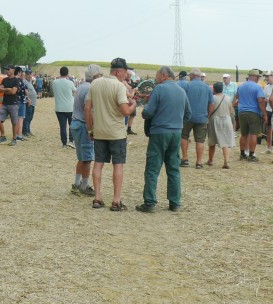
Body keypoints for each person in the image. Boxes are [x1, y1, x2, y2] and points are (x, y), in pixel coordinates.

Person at [136, 66, 191, 213]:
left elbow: (148, 112)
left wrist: (145, 110)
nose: (156, 79)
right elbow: (188, 114)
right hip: (176, 133)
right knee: (173, 168)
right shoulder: (182, 91)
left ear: (164, 75)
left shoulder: (159, 90)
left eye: (157, 76)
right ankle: (175, 202)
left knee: (153, 168)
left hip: (159, 132)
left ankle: (150, 202)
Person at [85, 57, 137, 211]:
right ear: (118, 71)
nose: (126, 76)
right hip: (116, 133)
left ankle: (97, 197)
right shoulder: (118, 86)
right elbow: (125, 111)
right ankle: (116, 200)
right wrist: (133, 104)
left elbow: (87, 108)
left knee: (98, 163)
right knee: (118, 165)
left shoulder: (95, 83)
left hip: (99, 131)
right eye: (125, 73)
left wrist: (90, 129)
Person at [69, 64, 103, 197]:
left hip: (75, 123)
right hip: (83, 124)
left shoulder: (81, 86)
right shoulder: (90, 89)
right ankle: (84, 185)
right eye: (100, 75)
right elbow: (88, 110)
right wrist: (92, 129)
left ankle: (77, 183)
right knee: (87, 158)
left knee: (81, 157)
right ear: (95, 76)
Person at [180, 68, 214, 169]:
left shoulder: (187, 85)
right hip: (202, 117)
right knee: (200, 140)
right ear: (199, 76)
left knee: (184, 136)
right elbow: (211, 104)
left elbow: (182, 100)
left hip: (187, 117)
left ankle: (185, 159)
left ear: (191, 76)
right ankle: (199, 162)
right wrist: (208, 116)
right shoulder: (207, 87)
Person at [235, 69, 267, 162]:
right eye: (258, 77)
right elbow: (260, 101)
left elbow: (237, 97)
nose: (258, 79)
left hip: (241, 112)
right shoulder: (258, 87)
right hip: (253, 112)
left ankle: (242, 154)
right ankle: (252, 154)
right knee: (253, 134)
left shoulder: (241, 86)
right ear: (255, 77)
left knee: (243, 134)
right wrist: (264, 113)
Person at [206, 82, 236, 169]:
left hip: (214, 120)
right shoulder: (227, 98)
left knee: (212, 141)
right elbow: (231, 111)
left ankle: (210, 160)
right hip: (226, 119)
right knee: (226, 142)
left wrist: (207, 117)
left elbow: (210, 109)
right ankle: (226, 161)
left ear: (214, 89)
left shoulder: (212, 98)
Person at [0, 65, 20, 146]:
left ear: (13, 70)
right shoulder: (4, 80)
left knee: (14, 122)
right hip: (4, 103)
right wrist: (8, 89)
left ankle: (14, 139)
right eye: (6, 69)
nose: (7, 71)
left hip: (13, 104)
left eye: (8, 69)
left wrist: (5, 90)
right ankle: (3, 136)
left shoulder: (16, 80)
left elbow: (13, 92)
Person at [53, 66, 77, 148]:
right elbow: (75, 91)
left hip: (59, 108)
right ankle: (71, 140)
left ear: (60, 73)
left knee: (62, 126)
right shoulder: (70, 83)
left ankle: (64, 143)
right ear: (67, 73)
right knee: (72, 125)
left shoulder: (55, 82)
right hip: (70, 107)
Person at [262, 71, 273, 153]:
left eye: (268, 77)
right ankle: (269, 148)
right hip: (268, 110)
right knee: (268, 129)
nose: (266, 78)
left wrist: (268, 100)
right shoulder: (266, 87)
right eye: (266, 77)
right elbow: (264, 97)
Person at [14, 66, 28, 141]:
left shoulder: (13, 80)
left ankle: (15, 134)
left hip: (14, 101)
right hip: (21, 101)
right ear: (19, 72)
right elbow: (25, 91)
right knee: (20, 118)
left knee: (15, 119)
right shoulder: (20, 81)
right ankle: (19, 135)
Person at [22, 69, 37, 137]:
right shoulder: (24, 82)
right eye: (27, 74)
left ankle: (28, 130)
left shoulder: (29, 82)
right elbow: (24, 92)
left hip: (33, 103)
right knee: (27, 117)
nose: (29, 75)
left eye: (30, 74)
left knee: (30, 117)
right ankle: (25, 131)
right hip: (28, 102)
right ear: (25, 75)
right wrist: (28, 100)